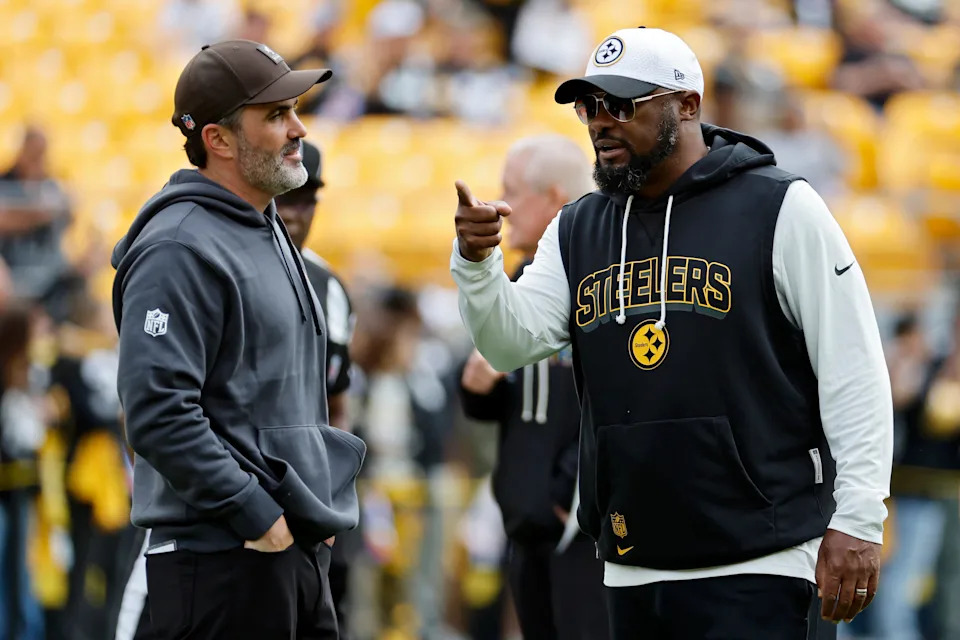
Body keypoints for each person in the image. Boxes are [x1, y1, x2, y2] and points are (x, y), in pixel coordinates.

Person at [450, 27, 892, 639]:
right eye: (588, 106)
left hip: (764, 556)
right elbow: (510, 343)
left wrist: (861, 519)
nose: (601, 122)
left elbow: (855, 369)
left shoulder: (780, 206)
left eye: (621, 104)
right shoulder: (579, 226)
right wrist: (477, 267)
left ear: (686, 105)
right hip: (634, 561)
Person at [110, 40, 366, 640]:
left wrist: (309, 504)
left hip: (285, 550)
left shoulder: (265, 222)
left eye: (296, 110)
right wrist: (256, 514)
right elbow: (156, 412)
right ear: (219, 140)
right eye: (276, 115)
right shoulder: (178, 245)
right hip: (222, 555)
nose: (298, 128)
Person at [458, 134, 609, 640]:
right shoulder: (521, 280)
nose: (500, 203)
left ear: (554, 198)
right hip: (525, 524)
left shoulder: (602, 280)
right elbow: (512, 408)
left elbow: (614, 401)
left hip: (580, 528)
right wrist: (481, 388)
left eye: (512, 190)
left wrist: (571, 489)